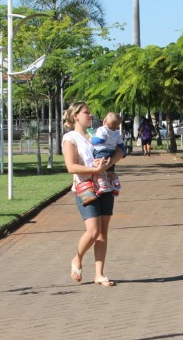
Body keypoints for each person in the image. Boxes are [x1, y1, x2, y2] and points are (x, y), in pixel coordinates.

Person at [63, 102, 124, 287]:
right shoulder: (70, 138)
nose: (90, 115)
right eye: (86, 113)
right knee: (93, 230)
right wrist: (94, 168)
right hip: (85, 186)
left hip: (104, 184)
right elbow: (71, 167)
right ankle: (77, 258)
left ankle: (99, 274)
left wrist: (109, 163)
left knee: (103, 231)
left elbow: (121, 150)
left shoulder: (98, 133)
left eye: (90, 113)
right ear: (76, 116)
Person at [91, 112, 126, 196]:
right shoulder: (117, 133)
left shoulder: (102, 129)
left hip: (101, 152)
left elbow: (100, 140)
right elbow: (121, 145)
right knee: (110, 172)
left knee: (99, 171)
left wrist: (91, 140)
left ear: (104, 121)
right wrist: (124, 152)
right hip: (111, 153)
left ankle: (103, 185)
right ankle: (116, 183)